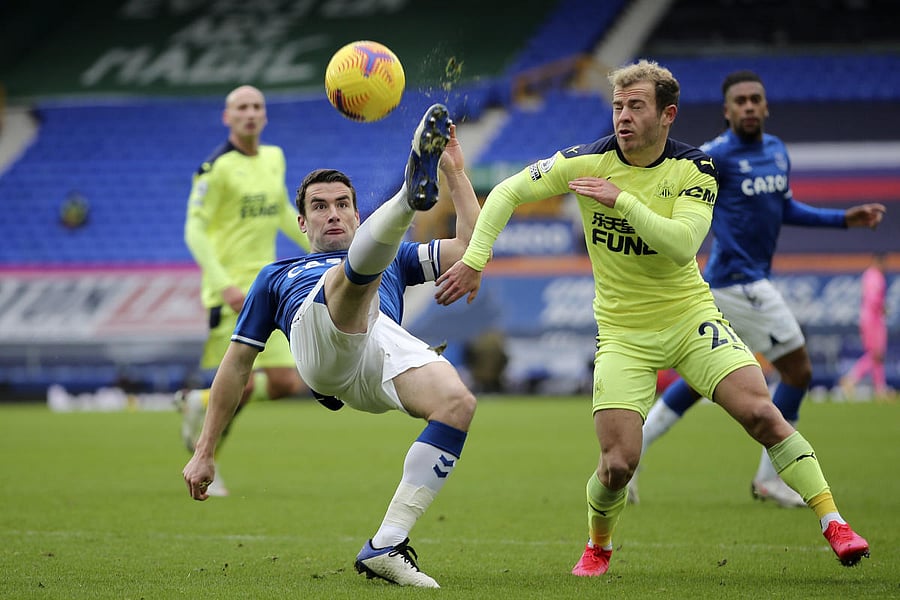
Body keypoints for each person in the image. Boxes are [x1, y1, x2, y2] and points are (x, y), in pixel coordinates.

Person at [435, 60, 870, 576]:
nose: (622, 116)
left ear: (667, 115)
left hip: (691, 320)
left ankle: (834, 523)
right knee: (618, 465)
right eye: (618, 105)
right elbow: (507, 191)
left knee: (763, 415)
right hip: (623, 335)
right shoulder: (586, 159)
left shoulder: (696, 169)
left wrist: (623, 201)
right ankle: (599, 544)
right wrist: (475, 258)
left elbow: (683, 245)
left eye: (635, 106)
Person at [183, 104, 479, 588]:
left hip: (378, 348)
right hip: (318, 338)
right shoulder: (276, 276)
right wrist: (205, 451)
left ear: (358, 214)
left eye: (343, 203)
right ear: (301, 223)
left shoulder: (397, 258)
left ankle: (385, 545)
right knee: (348, 283)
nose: (334, 213)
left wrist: (455, 171)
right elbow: (236, 365)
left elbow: (470, 247)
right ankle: (410, 193)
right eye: (319, 206)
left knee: (457, 403)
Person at [630, 70, 886, 508]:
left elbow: (783, 206)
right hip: (735, 283)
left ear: (765, 106)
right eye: (740, 101)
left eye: (755, 99)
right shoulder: (714, 157)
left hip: (749, 282)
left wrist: (843, 219)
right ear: (727, 111)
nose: (749, 107)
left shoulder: (776, 151)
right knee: (798, 371)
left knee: (698, 380)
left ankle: (630, 461)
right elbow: (668, 193)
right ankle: (771, 478)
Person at [179, 85, 311, 496]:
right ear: (227, 117)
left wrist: (322, 249)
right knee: (244, 384)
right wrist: (223, 284)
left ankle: (199, 403)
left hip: (268, 285)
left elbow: (282, 213)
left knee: (288, 382)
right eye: (241, 108)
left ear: (265, 116)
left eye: (257, 107)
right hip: (230, 291)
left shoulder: (274, 158)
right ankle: (206, 459)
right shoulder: (214, 168)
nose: (250, 113)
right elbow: (194, 230)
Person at [840, 252, 890, 398]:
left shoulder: (868, 275)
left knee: (876, 356)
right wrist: (883, 308)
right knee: (876, 355)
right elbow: (874, 300)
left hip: (868, 319)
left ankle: (880, 388)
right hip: (873, 320)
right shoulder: (876, 277)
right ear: (878, 262)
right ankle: (851, 379)